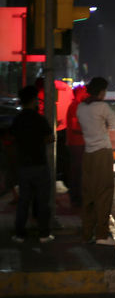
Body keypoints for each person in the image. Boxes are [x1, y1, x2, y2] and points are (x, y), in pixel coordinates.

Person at [77, 77, 115, 246]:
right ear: (101, 91)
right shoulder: (102, 107)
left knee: (88, 194)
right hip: (102, 153)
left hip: (88, 154)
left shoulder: (81, 108)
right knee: (104, 193)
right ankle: (102, 235)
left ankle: (86, 233)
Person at [10, 86, 55, 243]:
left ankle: (19, 233)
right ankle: (44, 233)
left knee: (24, 200)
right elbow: (50, 138)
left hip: (23, 165)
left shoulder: (18, 119)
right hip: (39, 164)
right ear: (33, 100)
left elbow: (13, 138)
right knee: (42, 201)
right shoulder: (39, 119)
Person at [66, 85, 88, 205]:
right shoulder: (75, 107)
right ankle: (76, 196)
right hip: (76, 143)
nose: (86, 94)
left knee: (78, 170)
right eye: (84, 92)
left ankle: (77, 195)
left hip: (79, 142)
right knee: (77, 170)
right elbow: (75, 126)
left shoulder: (78, 106)